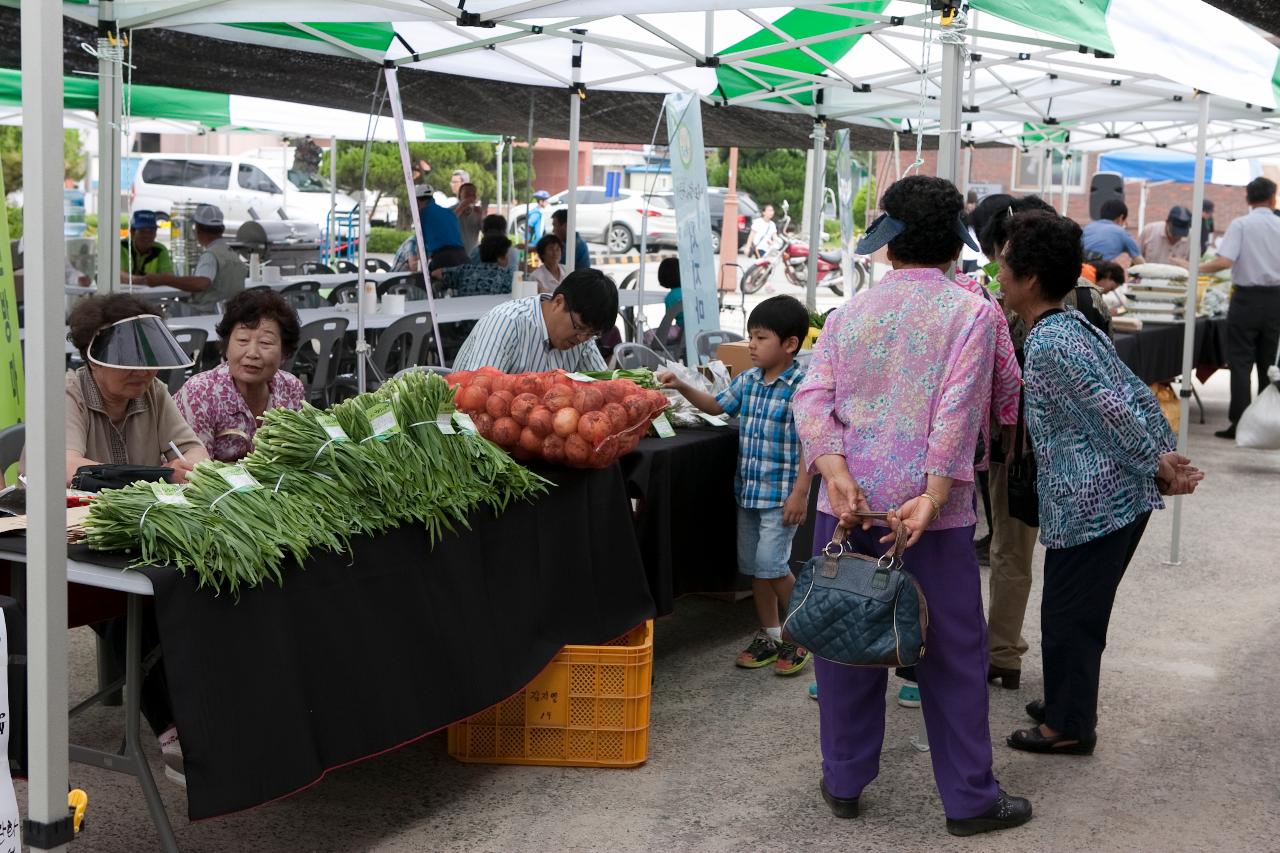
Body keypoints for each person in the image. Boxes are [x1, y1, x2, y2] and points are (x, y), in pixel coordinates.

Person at [792, 175, 1031, 836]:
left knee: (844, 640)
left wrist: (834, 470)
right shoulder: (973, 312)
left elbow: (813, 398)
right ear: (955, 239)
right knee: (953, 654)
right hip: (933, 512)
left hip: (845, 506)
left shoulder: (850, 312)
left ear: (888, 239)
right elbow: (959, 411)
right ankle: (969, 799)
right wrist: (930, 494)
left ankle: (842, 778)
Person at [995, 209, 1202, 757]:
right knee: (1073, 611)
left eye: (1006, 262)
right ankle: (1067, 700)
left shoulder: (1050, 343)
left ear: (1030, 279)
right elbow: (1132, 391)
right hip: (1103, 498)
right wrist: (1159, 453)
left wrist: (1158, 463)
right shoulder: (1071, 325)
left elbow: (1113, 409)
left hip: (1094, 502)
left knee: (1069, 617)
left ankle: (1068, 725)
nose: (998, 270)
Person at [57, 294, 211, 787]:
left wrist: (191, 466)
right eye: (131, 365)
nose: (144, 375)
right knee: (135, 610)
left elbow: (193, 450)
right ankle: (173, 729)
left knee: (192, 589)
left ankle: (205, 714)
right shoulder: (69, 394)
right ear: (92, 355)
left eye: (151, 365)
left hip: (147, 532)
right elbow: (68, 469)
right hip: (77, 543)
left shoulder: (154, 393)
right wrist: (160, 478)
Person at [658, 295, 813, 676]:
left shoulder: (803, 387)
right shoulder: (749, 381)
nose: (751, 345)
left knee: (772, 565)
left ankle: (805, 633)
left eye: (760, 338)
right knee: (755, 568)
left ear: (790, 344)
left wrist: (801, 492)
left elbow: (814, 444)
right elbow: (715, 407)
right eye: (750, 337)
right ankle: (770, 633)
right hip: (749, 493)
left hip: (781, 497)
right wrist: (678, 384)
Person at [174, 289, 305, 463]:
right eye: (242, 340)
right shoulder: (200, 394)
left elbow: (296, 459)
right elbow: (196, 474)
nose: (252, 353)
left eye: (265, 343)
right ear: (226, 346)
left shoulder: (291, 389)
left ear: (284, 353)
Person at [1198, 177, 1280, 439]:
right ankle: (1269, 426)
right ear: (1273, 198)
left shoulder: (1241, 225)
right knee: (1270, 364)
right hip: (1276, 300)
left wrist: (1193, 268)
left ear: (1247, 198)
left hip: (1245, 299)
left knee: (1241, 363)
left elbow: (1224, 261)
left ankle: (1239, 424)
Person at [452, 269, 616, 373]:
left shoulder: (582, 336)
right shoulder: (507, 323)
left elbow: (603, 387)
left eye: (591, 334)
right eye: (578, 328)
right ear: (558, 302)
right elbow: (478, 394)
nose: (581, 339)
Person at [139, 204, 245, 313]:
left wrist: (165, 280)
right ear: (221, 230)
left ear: (198, 230)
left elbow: (201, 283)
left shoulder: (210, 255)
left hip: (208, 314)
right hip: (231, 313)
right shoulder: (232, 253)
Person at [432, 234, 514, 296]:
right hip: (493, 317)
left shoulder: (465, 270)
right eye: (507, 254)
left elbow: (435, 273)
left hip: (463, 316)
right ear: (500, 258)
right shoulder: (507, 276)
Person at [414, 184, 468, 272]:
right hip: (463, 257)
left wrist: (421, 270)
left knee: (434, 284)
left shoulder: (422, 214)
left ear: (417, 200)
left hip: (443, 258)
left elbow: (420, 245)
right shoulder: (448, 212)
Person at [1081, 199, 1145, 265]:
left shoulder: (1087, 227)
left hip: (1077, 269)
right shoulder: (1122, 233)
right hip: (1096, 271)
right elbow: (1139, 261)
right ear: (1121, 217)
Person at [120, 210, 174, 282]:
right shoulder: (121, 247)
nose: (147, 236)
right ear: (132, 232)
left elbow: (168, 277)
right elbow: (118, 275)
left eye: (151, 231)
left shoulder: (160, 250)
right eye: (142, 231)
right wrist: (145, 280)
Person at [455, 182, 485, 254]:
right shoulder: (450, 210)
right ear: (459, 196)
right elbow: (447, 223)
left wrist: (481, 216)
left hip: (472, 255)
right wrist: (461, 207)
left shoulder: (477, 212)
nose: (471, 197)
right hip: (455, 254)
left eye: (473, 194)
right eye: (467, 194)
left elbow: (485, 231)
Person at [657, 257, 684, 334]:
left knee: (646, 335)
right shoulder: (690, 291)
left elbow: (667, 322)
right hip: (698, 330)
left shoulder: (670, 297)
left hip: (681, 331)